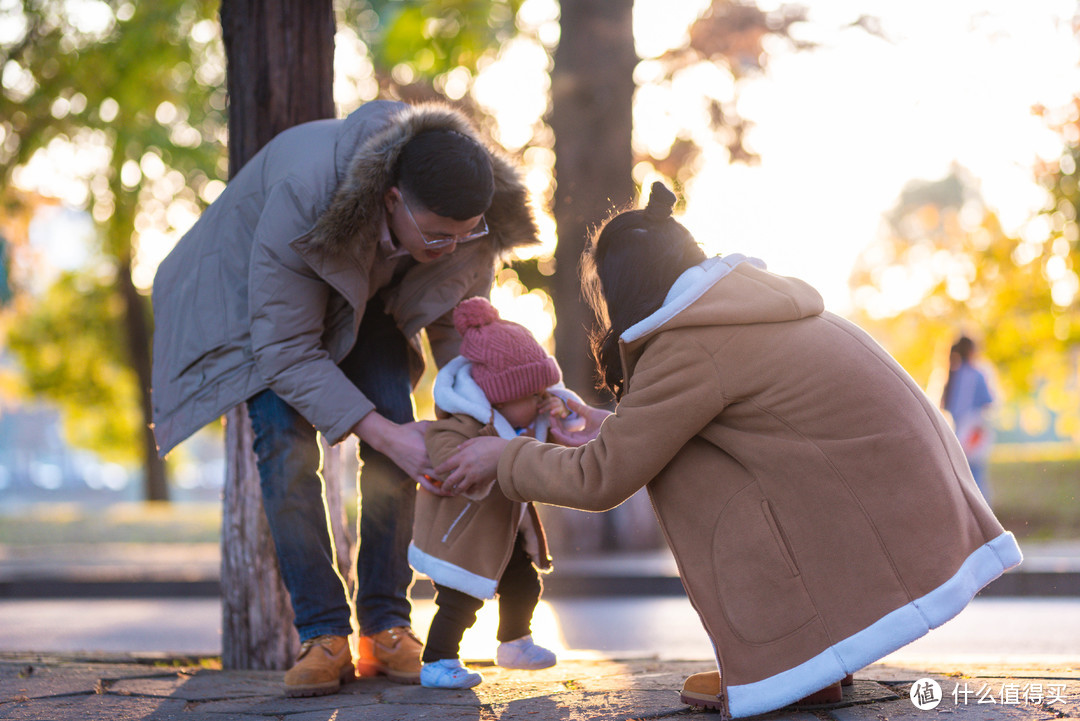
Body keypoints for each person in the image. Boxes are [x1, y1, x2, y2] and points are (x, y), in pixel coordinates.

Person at [433, 182, 1023, 718]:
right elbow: (709, 420)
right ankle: (812, 662)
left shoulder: (689, 345)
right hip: (912, 510)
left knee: (684, 465)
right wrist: (611, 421)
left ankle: (791, 661)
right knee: (681, 447)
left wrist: (501, 459)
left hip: (888, 522)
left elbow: (601, 478)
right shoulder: (738, 311)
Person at [150, 100, 538, 696]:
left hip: (371, 297)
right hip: (261, 304)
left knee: (401, 428)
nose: (453, 246)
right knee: (284, 449)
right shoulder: (305, 197)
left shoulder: (468, 220)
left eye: (467, 234)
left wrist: (514, 410)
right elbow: (284, 349)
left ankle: (384, 625)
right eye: (438, 235)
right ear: (391, 200)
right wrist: (385, 434)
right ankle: (323, 632)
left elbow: (462, 327)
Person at [411, 297, 571, 689]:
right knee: (459, 602)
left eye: (542, 394)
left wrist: (554, 415)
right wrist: (484, 452)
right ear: (499, 396)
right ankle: (438, 661)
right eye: (532, 396)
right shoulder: (461, 426)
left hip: (506, 533)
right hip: (465, 537)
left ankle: (514, 642)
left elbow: (547, 454)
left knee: (525, 585)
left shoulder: (524, 424)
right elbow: (447, 457)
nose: (539, 401)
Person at [941, 336, 995, 500]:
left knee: (960, 480)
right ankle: (983, 521)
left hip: (956, 436)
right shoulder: (977, 375)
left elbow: (945, 406)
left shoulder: (951, 375)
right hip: (973, 435)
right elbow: (988, 402)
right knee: (977, 479)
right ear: (972, 351)